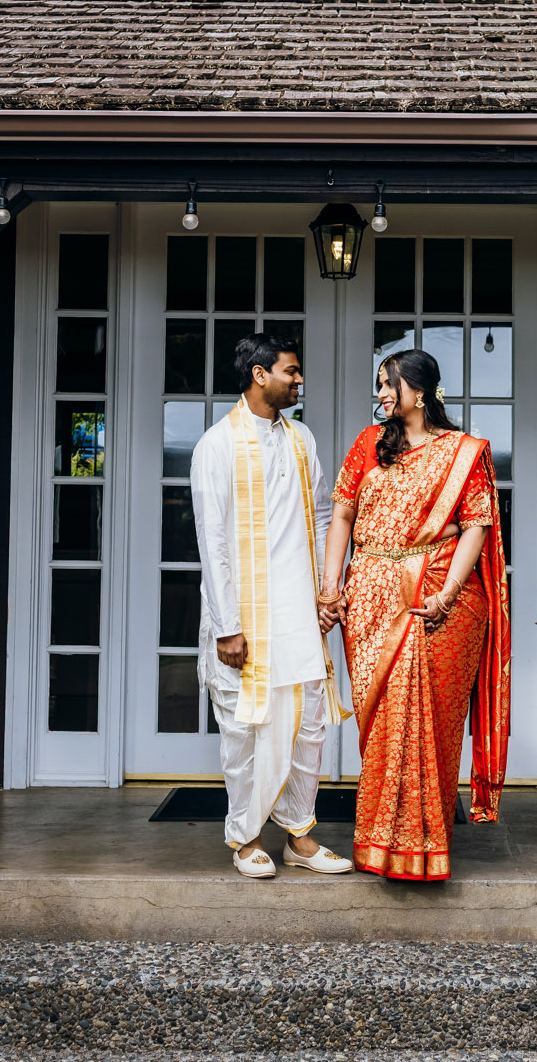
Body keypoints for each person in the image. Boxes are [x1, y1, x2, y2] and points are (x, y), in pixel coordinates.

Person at [317, 347, 511, 880]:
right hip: (371, 596)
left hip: (436, 599)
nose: (380, 395)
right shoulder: (367, 445)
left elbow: (476, 526)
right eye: (379, 385)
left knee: (430, 721)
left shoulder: (463, 452)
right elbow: (343, 516)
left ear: (419, 392)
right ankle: (381, 842)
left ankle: (423, 843)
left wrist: (448, 594)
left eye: (389, 385)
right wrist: (329, 586)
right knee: (380, 721)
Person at [189, 332, 353, 879]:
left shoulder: (302, 439)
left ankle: (300, 839)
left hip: (298, 616)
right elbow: (211, 541)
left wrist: (328, 590)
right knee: (245, 729)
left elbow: (325, 517)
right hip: (243, 620)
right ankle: (247, 839)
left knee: (309, 726)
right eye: (291, 371)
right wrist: (227, 627)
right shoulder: (216, 445)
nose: (299, 379)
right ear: (260, 375)